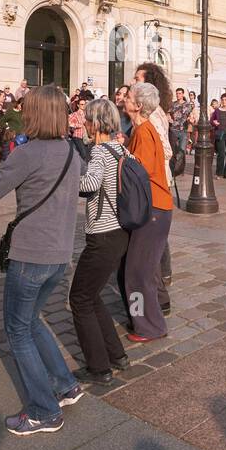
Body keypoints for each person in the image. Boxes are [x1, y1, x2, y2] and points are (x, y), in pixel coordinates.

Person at [0, 86, 83, 436]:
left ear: (34, 114)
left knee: (17, 329)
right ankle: (65, 384)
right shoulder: (71, 152)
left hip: (31, 254)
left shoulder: (27, 154)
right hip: (60, 254)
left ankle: (44, 411)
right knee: (31, 321)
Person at [69, 98, 130, 386]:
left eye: (87, 119)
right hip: (120, 232)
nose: (84, 123)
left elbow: (90, 185)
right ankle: (117, 354)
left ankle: (99, 367)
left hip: (102, 234)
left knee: (79, 299)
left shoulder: (99, 152)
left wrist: (67, 179)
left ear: (94, 123)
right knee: (91, 295)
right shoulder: (122, 149)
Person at [116, 83, 172, 344]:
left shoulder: (144, 130)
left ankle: (149, 325)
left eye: (128, 96)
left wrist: (120, 160)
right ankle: (146, 320)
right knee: (141, 271)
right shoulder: (141, 130)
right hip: (155, 207)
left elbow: (141, 170)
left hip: (153, 208)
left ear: (137, 105)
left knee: (138, 273)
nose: (124, 98)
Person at [168, 88, 192, 167]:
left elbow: (191, 115)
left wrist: (190, 119)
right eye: (177, 93)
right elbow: (168, 113)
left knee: (182, 150)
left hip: (183, 130)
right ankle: (173, 167)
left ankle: (181, 167)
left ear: (183, 94)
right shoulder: (173, 104)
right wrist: (169, 118)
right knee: (173, 150)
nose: (178, 95)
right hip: (173, 129)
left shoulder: (187, 105)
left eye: (180, 93)